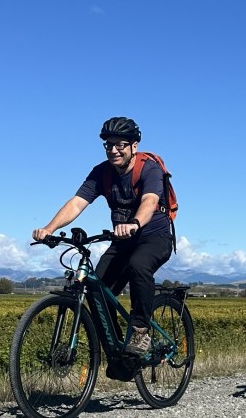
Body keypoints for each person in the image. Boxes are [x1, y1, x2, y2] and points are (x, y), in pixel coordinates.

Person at [33, 116, 174, 355]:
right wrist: (49, 228)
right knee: (96, 292)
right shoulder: (101, 173)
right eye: (109, 144)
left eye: (120, 144)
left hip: (154, 236)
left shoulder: (148, 169)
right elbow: (77, 203)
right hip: (122, 241)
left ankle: (140, 332)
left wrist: (135, 223)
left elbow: (150, 201)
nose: (114, 150)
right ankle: (118, 352)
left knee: (138, 266)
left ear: (134, 146)